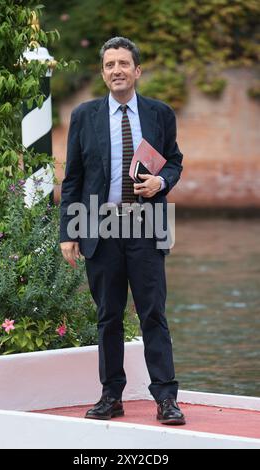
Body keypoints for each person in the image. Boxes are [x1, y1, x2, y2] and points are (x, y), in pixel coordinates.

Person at [60, 37, 185, 425]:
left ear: (137, 71)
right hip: (100, 224)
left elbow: (174, 162)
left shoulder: (159, 113)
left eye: (124, 64)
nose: (117, 70)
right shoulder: (84, 115)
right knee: (108, 316)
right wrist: (68, 231)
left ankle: (166, 398)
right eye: (110, 64)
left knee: (153, 314)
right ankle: (111, 395)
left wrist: (161, 184)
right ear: (103, 72)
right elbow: (73, 179)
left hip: (146, 224)